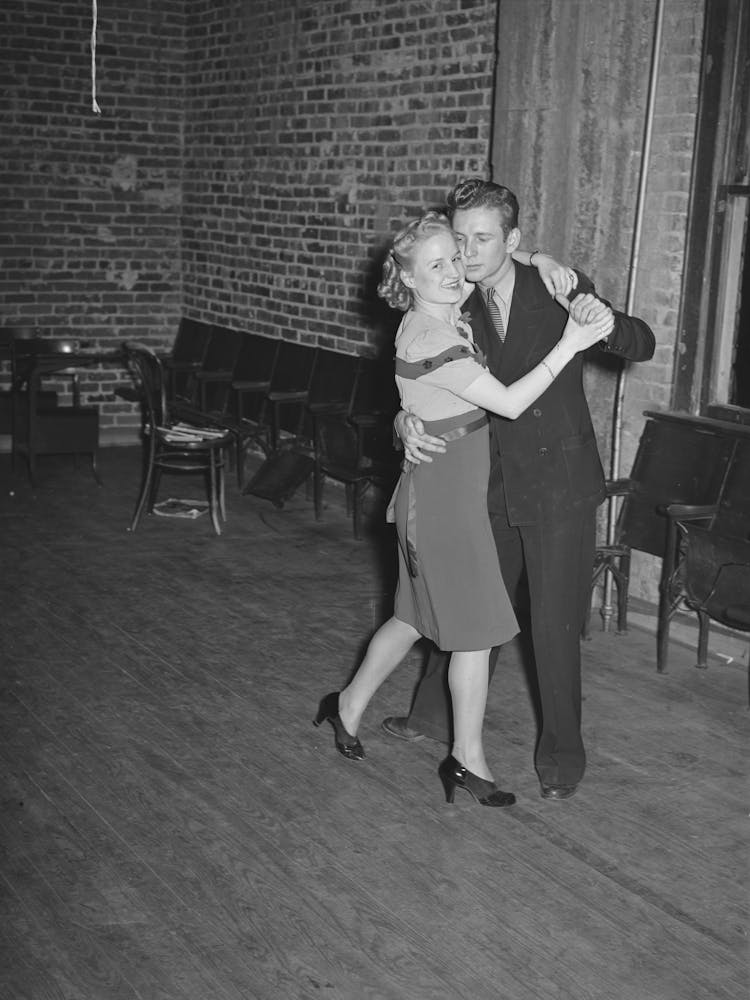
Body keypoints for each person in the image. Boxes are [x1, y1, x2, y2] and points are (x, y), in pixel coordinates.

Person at [314, 210, 615, 808]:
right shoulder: (431, 335)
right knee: (473, 636)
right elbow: (504, 403)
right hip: (447, 503)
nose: (455, 271)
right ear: (406, 277)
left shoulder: (435, 315)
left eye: (455, 257)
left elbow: (504, 260)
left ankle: (346, 705)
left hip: (435, 491)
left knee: (410, 617)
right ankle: (467, 761)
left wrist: (543, 259)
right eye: (436, 264)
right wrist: (571, 343)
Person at [380, 179, 656, 801]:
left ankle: (561, 758)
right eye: (460, 239)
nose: (468, 254)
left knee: (553, 629)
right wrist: (405, 420)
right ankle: (431, 718)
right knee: (467, 612)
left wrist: (601, 319)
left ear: (515, 240)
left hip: (558, 487)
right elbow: (423, 375)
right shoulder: (455, 299)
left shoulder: (552, 285)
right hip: (488, 485)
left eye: (483, 239)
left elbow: (642, 341)